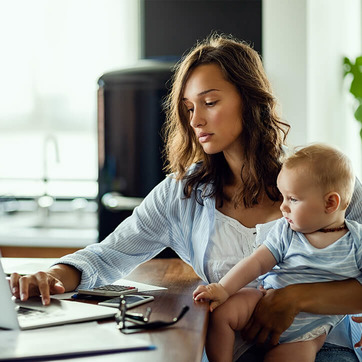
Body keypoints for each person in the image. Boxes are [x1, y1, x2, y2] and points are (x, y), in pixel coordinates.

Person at [9, 33, 362, 361]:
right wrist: (51, 274)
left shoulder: (325, 180)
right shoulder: (181, 194)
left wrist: (295, 297)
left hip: (321, 348)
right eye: (189, 108)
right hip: (230, 352)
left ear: (250, 98)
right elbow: (109, 255)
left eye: (209, 102)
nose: (196, 120)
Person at [193, 144, 362, 362]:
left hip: (307, 334)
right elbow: (257, 262)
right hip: (264, 300)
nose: (283, 207)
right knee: (222, 313)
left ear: (330, 203)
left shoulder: (356, 242)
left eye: (292, 199)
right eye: (282, 197)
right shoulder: (286, 231)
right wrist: (223, 289)